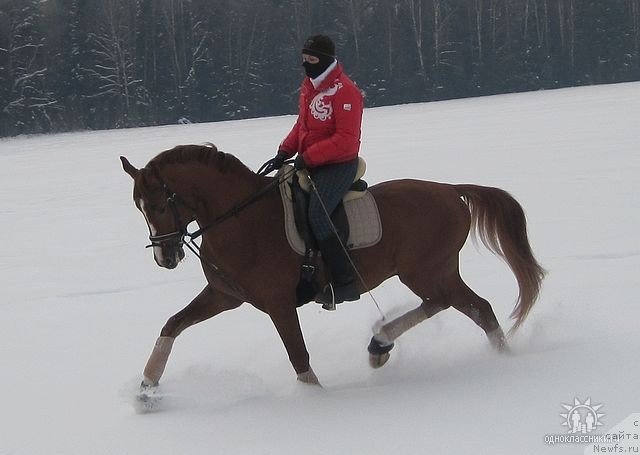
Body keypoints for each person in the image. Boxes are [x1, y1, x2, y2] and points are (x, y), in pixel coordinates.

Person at [271, 34, 364, 304]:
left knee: (319, 214)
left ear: (325, 60)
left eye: (311, 59)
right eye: (304, 58)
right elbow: (303, 125)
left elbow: (346, 139)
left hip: (339, 164)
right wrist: (285, 151)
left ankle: (345, 282)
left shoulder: (346, 91)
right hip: (311, 161)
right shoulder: (309, 86)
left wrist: (309, 157)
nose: (306, 64)